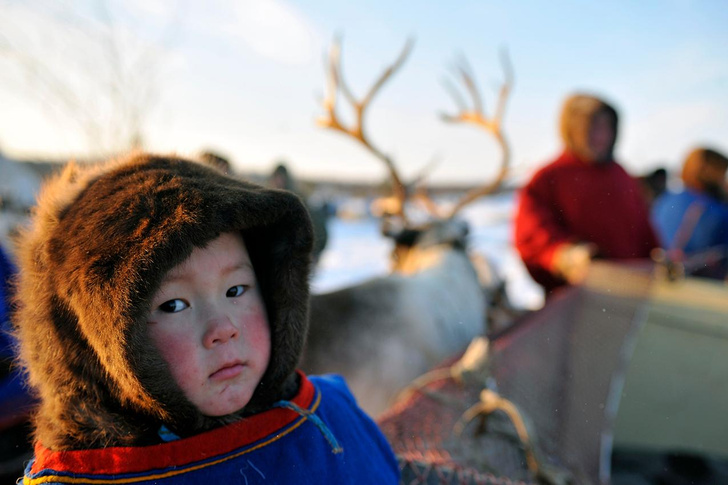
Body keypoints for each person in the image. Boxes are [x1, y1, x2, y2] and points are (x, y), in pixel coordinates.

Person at [11, 154, 399, 483]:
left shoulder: (326, 421)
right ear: (96, 347)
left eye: (236, 290)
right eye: (174, 305)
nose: (224, 329)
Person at [514, 93, 658, 296]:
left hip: (633, 290)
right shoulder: (549, 177)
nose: (601, 136)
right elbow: (531, 233)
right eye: (593, 128)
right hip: (578, 299)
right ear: (574, 130)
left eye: (607, 128)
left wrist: (658, 258)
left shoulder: (622, 175)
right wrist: (566, 255)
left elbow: (644, 229)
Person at [651, 147, 728, 279]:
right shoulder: (717, 211)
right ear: (712, 174)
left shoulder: (665, 199)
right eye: (723, 173)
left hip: (658, 282)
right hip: (700, 290)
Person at [269, 162, 330, 266]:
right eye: (276, 178)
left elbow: (318, 226)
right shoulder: (269, 199)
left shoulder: (297, 200)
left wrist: (315, 252)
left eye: (281, 178)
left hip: (296, 259)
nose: (278, 181)